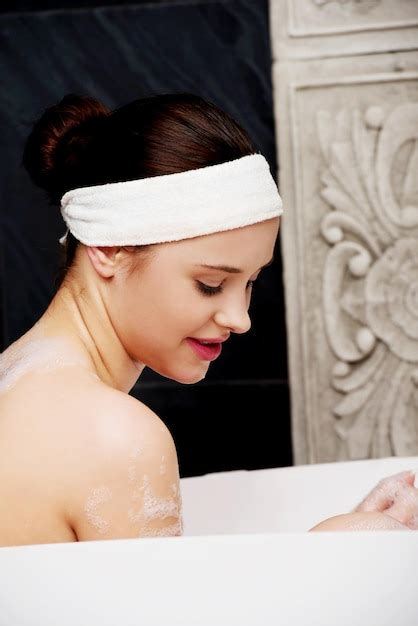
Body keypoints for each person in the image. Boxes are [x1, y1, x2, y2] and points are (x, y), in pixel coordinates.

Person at [0, 93, 415, 547]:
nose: (241, 320)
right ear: (108, 248)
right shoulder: (113, 436)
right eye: (211, 284)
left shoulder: (16, 378)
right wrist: (336, 547)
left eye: (251, 282)